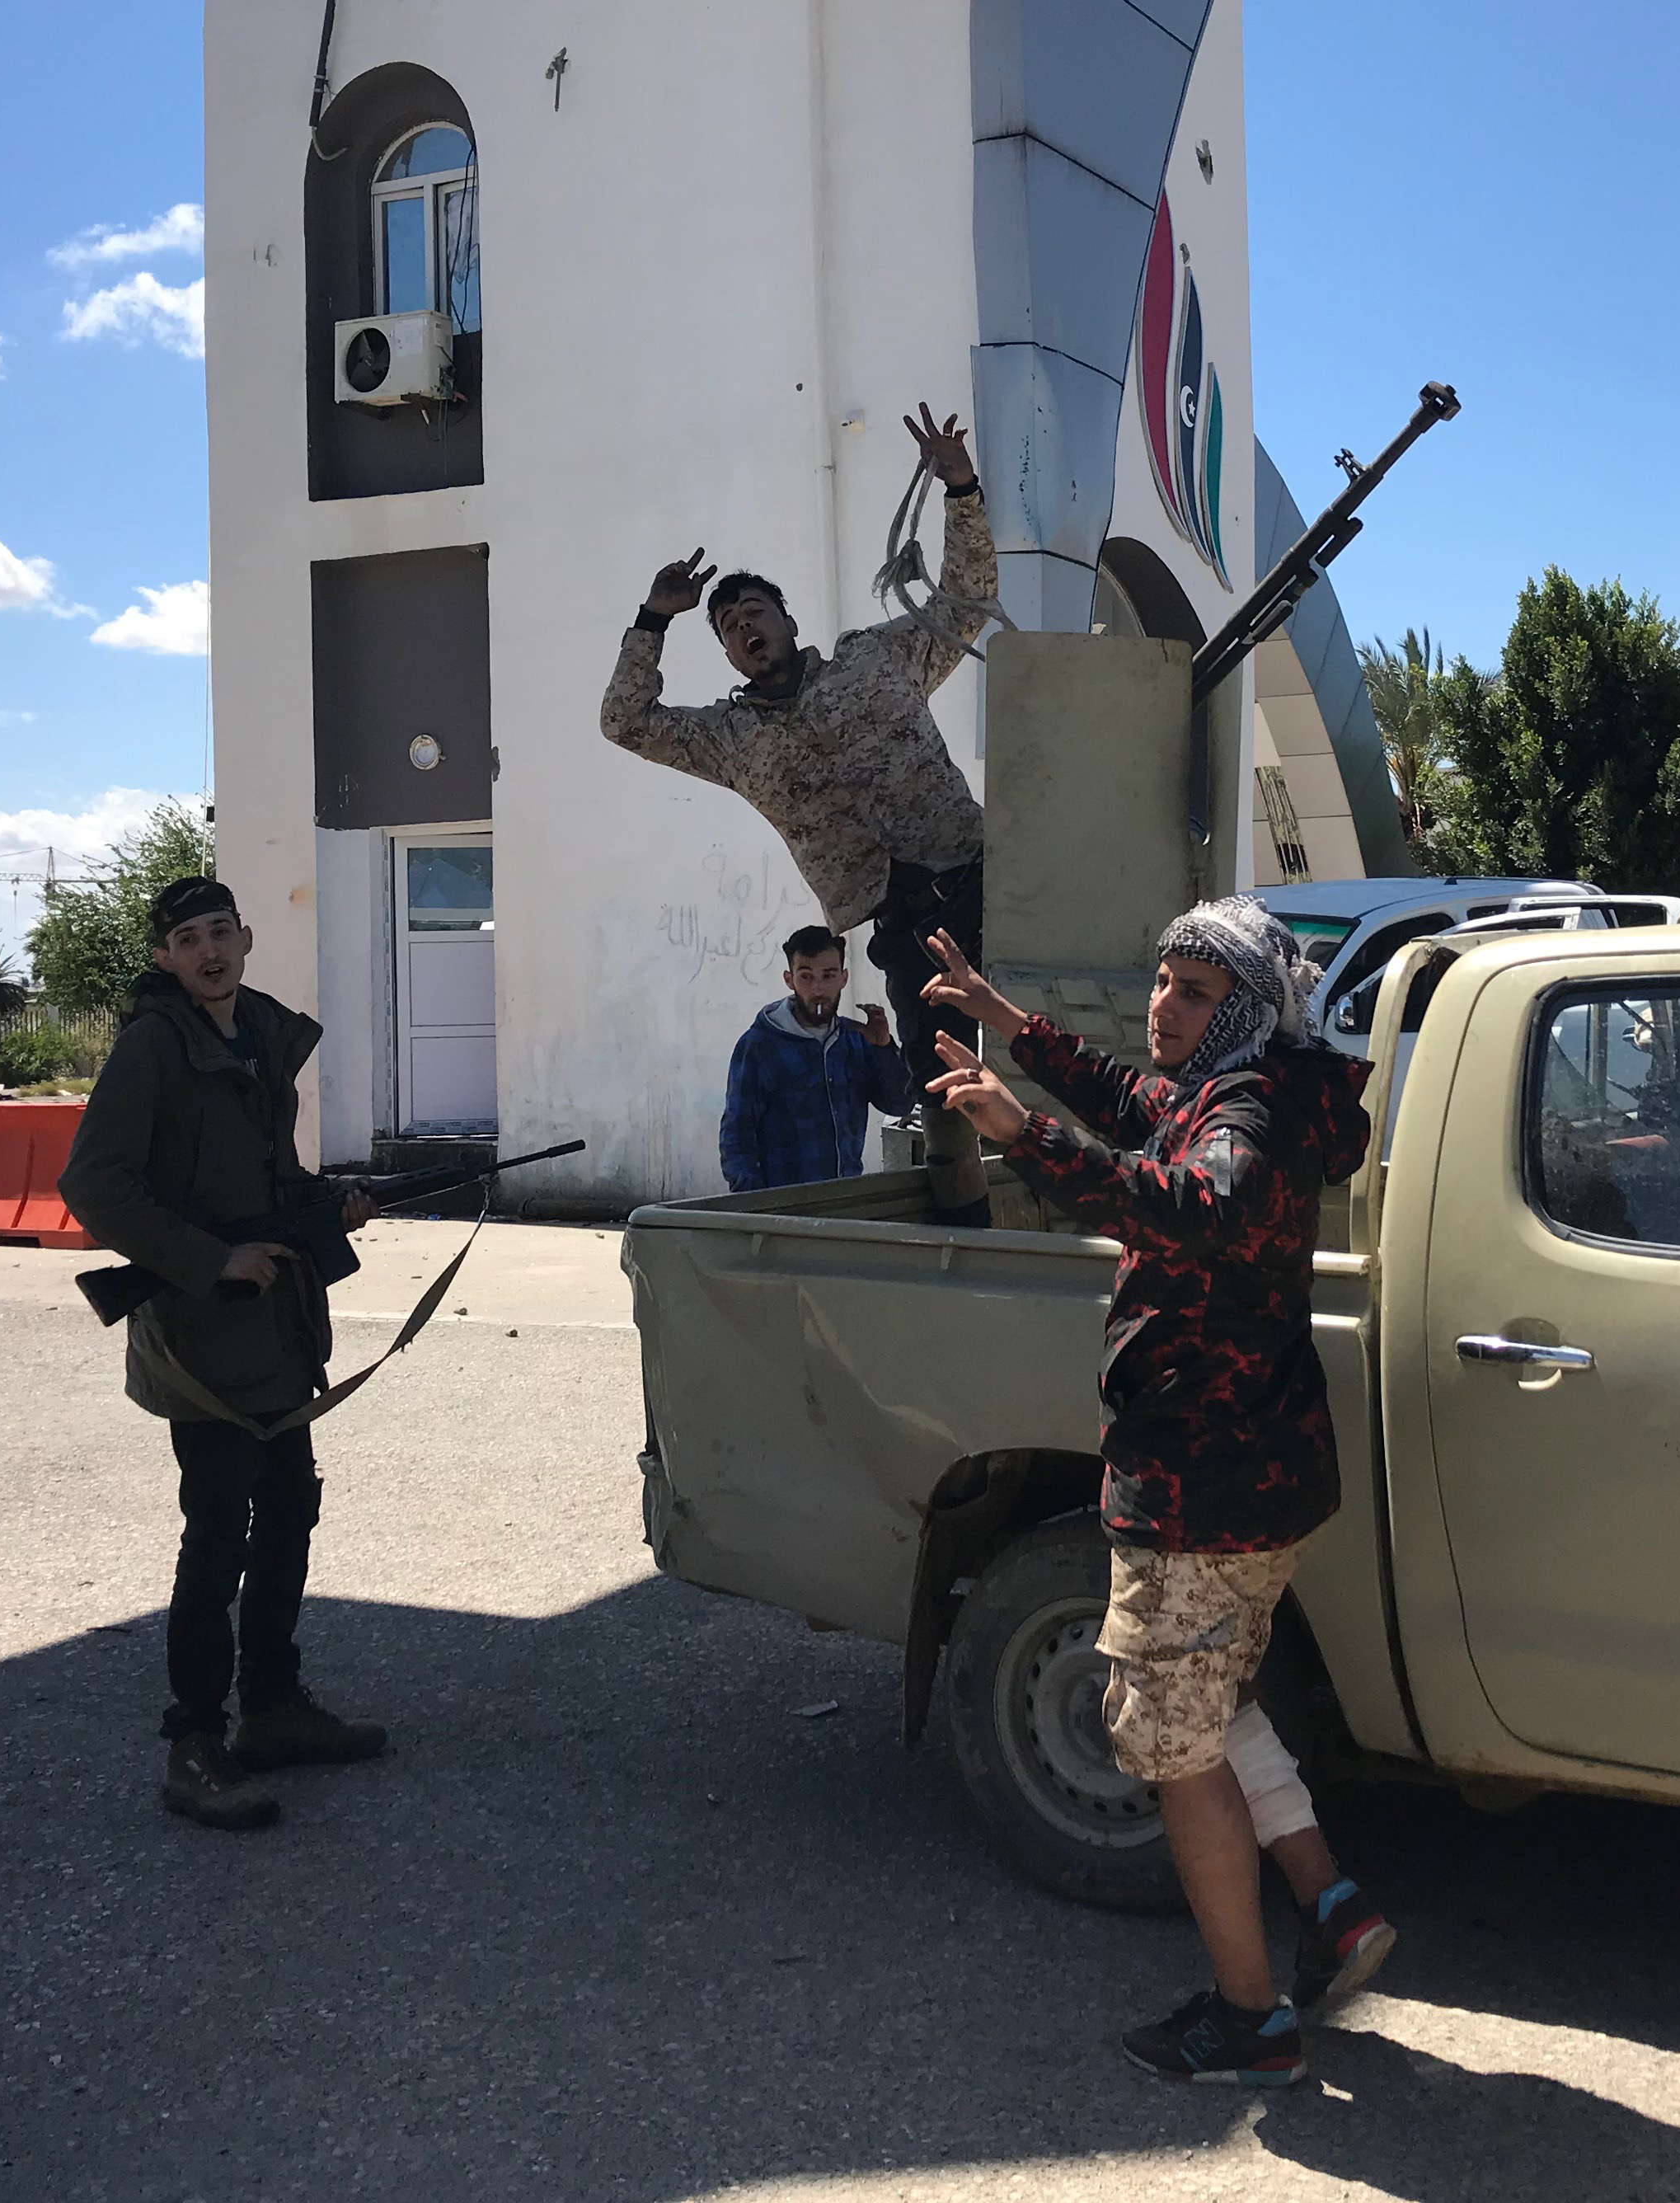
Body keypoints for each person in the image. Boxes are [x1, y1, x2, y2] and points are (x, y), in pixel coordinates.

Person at [921, 899, 1397, 2087]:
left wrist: (1021, 1136)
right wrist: (1007, 1022)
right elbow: (1139, 1109)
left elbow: (1193, 1205)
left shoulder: (1248, 1110)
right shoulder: (1246, 1080)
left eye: (1191, 991)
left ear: (1238, 1009)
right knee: (1218, 1705)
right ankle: (1328, 1905)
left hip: (1202, 1485)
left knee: (1179, 1753)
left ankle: (1251, 2019)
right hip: (1250, 1474)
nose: (1162, 1006)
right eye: (1161, 979)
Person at [600, 403, 997, 1225]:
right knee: (943, 1082)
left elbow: (964, 602)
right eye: (728, 626)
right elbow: (625, 722)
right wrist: (652, 619)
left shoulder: (876, 658)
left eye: (754, 613)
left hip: (981, 884)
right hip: (900, 923)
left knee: (1039, 1045)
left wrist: (960, 487)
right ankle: (970, 1229)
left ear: (789, 623)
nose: (744, 627)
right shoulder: (729, 738)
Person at [59, 878, 391, 1834]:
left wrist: (328, 1202)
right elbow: (94, 1182)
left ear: (245, 938)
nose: (207, 951)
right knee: (217, 1537)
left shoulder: (258, 1034)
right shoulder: (155, 1044)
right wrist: (211, 1259)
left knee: (289, 1508)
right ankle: (194, 1742)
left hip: (275, 1331)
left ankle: (274, 1708)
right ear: (164, 957)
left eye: (219, 932)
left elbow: (268, 1176)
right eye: (185, 939)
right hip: (203, 1336)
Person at [721, 923, 913, 1192]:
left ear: (843, 978)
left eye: (828, 975)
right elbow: (737, 1136)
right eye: (807, 977)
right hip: (783, 1209)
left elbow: (901, 1105)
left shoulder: (856, 1039)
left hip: (844, 1203)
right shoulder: (759, 1046)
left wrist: (883, 1046)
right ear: (790, 980)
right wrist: (755, 1205)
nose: (818, 989)